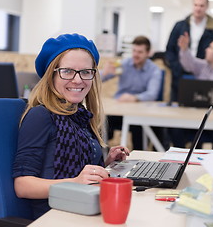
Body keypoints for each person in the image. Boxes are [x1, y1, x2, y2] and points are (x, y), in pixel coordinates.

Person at [12, 33, 130, 219]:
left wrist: (105, 164)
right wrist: (75, 182)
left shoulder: (79, 116)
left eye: (85, 72)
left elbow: (76, 165)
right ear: (51, 75)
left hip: (82, 207)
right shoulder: (41, 116)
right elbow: (22, 186)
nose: (77, 80)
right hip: (54, 215)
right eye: (67, 71)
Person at [101, 36, 162, 150]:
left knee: (138, 127)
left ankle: (139, 158)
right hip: (120, 110)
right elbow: (99, 79)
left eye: (140, 52)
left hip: (140, 112)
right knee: (102, 122)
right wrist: (104, 73)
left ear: (148, 53)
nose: (135, 54)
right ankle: (102, 155)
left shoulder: (154, 70)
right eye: (134, 51)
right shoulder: (123, 64)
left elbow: (152, 93)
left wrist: (134, 97)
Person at [165, 0, 213, 102]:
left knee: (201, 103)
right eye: (196, 5)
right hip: (180, 73)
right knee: (179, 104)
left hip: (203, 73)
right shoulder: (180, 26)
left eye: (201, 6)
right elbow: (170, 49)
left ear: (207, 7)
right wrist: (175, 67)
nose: (198, 8)